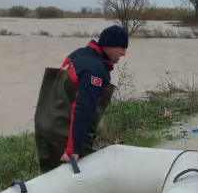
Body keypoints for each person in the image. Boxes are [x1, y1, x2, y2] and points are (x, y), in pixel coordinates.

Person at [33, 24, 128, 174]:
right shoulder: (96, 69)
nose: (124, 53)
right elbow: (83, 108)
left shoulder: (78, 54)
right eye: (122, 47)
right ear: (109, 47)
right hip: (64, 131)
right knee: (86, 175)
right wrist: (73, 149)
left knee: (50, 175)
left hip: (44, 125)